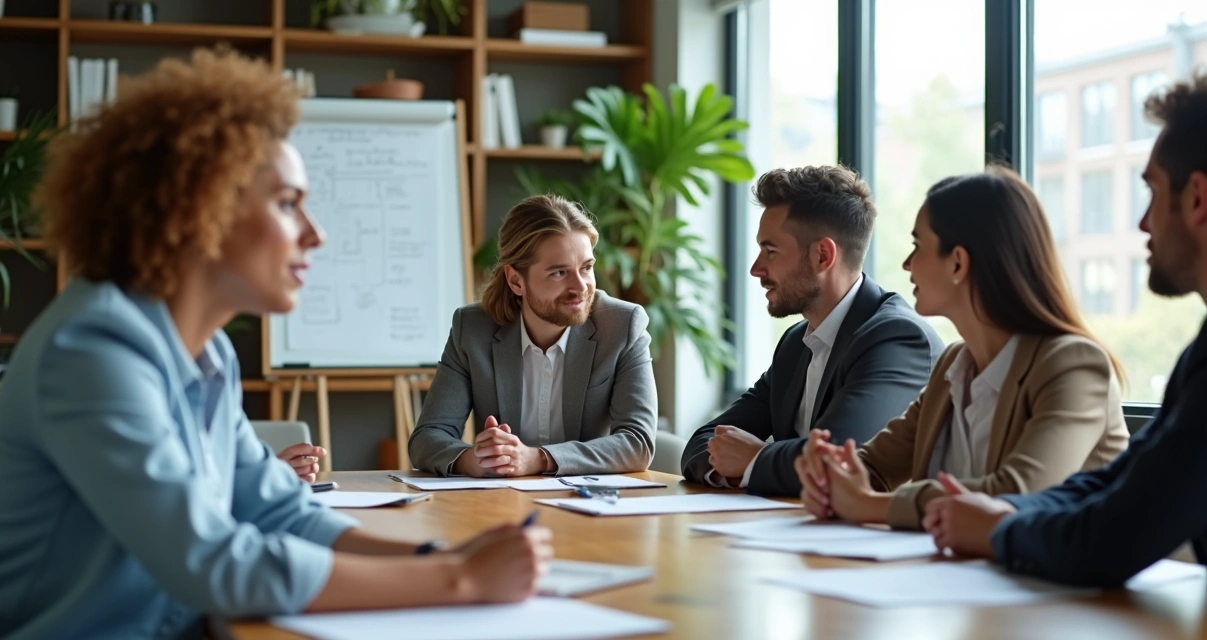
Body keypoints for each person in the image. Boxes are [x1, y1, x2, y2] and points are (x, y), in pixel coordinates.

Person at [0, 49, 552, 639]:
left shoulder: (205, 354)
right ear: (199, 207)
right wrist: (458, 581)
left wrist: (437, 560)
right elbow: (212, 564)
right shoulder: (91, 352)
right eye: (288, 204)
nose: (315, 234)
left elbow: (273, 510)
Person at [922, 69, 1207, 585]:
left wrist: (999, 530)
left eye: (1151, 191)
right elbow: (1121, 480)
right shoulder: (1205, 351)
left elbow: (1113, 537)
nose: (1142, 223)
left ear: (1196, 198)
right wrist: (1006, 512)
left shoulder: (1075, 361)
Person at [797, 165, 1130, 531]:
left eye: (918, 246)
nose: (907, 264)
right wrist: (830, 474)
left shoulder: (1072, 365)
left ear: (958, 262)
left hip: (1062, 586)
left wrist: (869, 505)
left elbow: (1019, 496)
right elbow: (873, 466)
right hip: (960, 576)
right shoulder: (954, 365)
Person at [681, 165, 944, 496]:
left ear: (822, 255)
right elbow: (704, 441)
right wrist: (741, 468)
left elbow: (838, 462)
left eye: (770, 251)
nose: (755, 269)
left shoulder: (898, 338)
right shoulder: (796, 343)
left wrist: (755, 460)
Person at [408, 194, 658, 477]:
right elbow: (427, 438)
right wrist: (478, 459)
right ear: (516, 280)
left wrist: (537, 459)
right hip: (500, 505)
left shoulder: (623, 326)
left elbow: (637, 442)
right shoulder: (473, 329)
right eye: (559, 273)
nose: (580, 286)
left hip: (588, 503)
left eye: (587, 268)